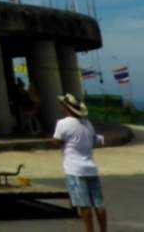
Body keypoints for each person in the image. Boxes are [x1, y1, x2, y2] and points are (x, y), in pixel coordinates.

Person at [52, 93, 106, 232]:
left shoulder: (62, 123)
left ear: (66, 108)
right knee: (98, 204)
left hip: (75, 170)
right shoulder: (88, 123)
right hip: (91, 168)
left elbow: (56, 142)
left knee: (84, 205)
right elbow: (94, 141)